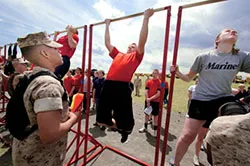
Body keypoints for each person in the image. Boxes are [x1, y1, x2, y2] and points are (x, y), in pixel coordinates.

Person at [169, 28, 250, 166]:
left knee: (235, 119)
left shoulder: (241, 56)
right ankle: (175, 163)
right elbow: (188, 78)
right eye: (228, 30)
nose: (233, 31)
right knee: (188, 135)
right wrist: (177, 72)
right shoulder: (204, 57)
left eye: (234, 31)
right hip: (201, 100)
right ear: (217, 40)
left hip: (224, 98)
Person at [13, 32, 80, 166]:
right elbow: (50, 134)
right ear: (45, 53)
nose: (59, 50)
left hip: (25, 151)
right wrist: (74, 118)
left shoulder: (28, 76)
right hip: (40, 158)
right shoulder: (49, 85)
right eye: (55, 48)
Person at [96, 9, 154, 143]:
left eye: (133, 46)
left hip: (122, 87)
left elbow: (142, 41)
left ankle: (125, 130)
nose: (130, 47)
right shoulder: (118, 54)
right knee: (101, 118)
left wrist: (146, 19)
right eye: (129, 46)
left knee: (124, 117)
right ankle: (117, 127)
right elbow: (107, 43)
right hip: (108, 84)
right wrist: (107, 25)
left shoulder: (136, 57)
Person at [187, 80, 209, 165]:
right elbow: (189, 94)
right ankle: (196, 155)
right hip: (197, 111)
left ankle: (202, 146)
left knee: (204, 135)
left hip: (208, 114)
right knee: (192, 134)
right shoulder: (193, 88)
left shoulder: (210, 89)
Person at [139, 69, 161, 137]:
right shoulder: (149, 81)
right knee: (146, 114)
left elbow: (159, 93)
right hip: (148, 101)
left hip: (156, 102)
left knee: (155, 117)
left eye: (156, 73)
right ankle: (145, 127)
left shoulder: (161, 83)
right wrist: (147, 100)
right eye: (153, 73)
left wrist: (149, 99)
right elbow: (146, 91)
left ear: (158, 74)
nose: (154, 74)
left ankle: (155, 131)